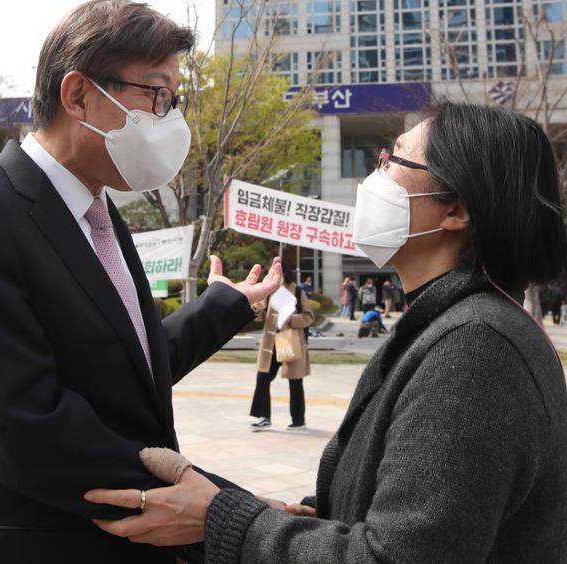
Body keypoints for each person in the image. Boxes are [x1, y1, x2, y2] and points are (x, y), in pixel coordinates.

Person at [86, 101, 567, 563]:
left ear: (455, 211)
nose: (373, 178)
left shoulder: (476, 350)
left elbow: (396, 556)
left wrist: (222, 519)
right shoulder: (450, 326)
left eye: (391, 159)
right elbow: (380, 518)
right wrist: (283, 518)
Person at [0, 0, 282, 564]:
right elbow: (27, 426)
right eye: (154, 95)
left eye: (174, 99)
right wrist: (225, 510)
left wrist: (224, 305)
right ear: (77, 95)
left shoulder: (100, 216)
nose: (169, 119)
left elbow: (122, 369)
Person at [250, 259, 315, 430]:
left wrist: (292, 319)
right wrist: (258, 309)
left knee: (295, 381)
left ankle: (298, 420)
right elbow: (260, 317)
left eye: (276, 272)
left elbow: (309, 316)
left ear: (283, 273)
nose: (273, 275)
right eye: (270, 272)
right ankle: (263, 416)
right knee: (262, 378)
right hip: (270, 344)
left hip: (290, 341)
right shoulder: (268, 292)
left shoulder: (298, 291)